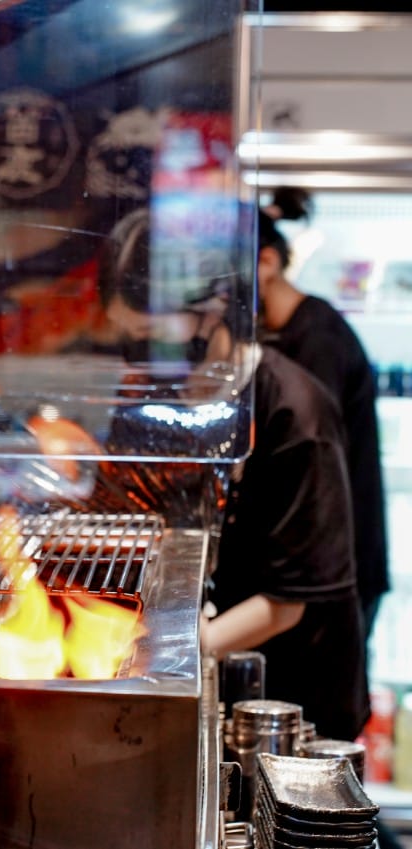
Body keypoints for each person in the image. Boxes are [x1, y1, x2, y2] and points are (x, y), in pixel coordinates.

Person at [98, 207, 370, 743]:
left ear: (213, 307)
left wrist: (173, 655)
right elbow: (127, 516)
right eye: (129, 341)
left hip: (290, 690)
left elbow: (288, 602)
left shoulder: (293, 412)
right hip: (198, 663)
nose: (143, 360)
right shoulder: (146, 397)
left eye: (153, 337)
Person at [258, 194, 389, 639]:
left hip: (338, 568)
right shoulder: (288, 332)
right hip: (321, 562)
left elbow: (309, 466)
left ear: (267, 262)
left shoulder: (316, 339)